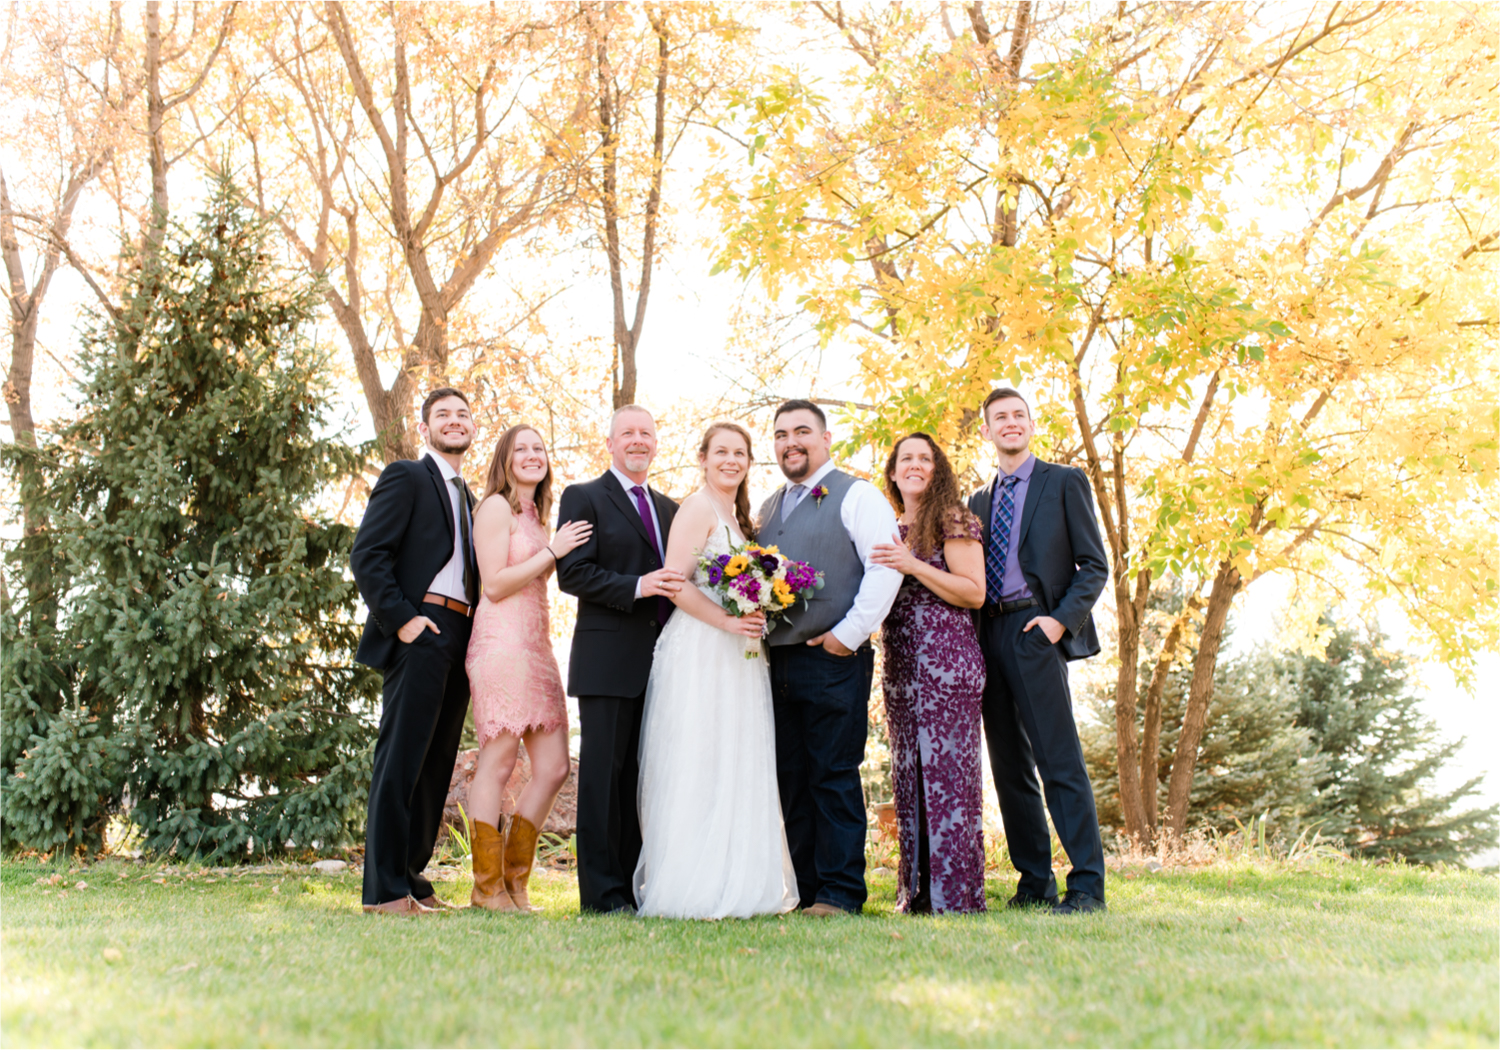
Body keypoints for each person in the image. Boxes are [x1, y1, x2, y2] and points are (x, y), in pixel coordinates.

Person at [632, 423, 799, 919]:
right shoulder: (697, 507)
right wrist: (727, 620)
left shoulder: (740, 517)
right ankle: (693, 884)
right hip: (702, 648)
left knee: (737, 756)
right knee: (700, 756)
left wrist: (756, 611)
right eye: (721, 452)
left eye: (740, 453)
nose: (731, 460)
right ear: (702, 458)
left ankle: (738, 877)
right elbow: (672, 582)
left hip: (739, 653)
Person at [967, 387, 1110, 915]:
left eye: (1017, 416)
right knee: (1009, 767)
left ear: (1030, 425)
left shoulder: (1065, 482)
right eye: (999, 418)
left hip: (1035, 630)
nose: (1010, 423)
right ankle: (1034, 882)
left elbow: (1094, 565)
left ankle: (1088, 886)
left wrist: (1057, 623)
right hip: (988, 636)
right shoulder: (976, 503)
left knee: (1059, 761)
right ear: (986, 430)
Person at [757, 400, 902, 916]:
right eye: (780, 434)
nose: (790, 442)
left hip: (833, 659)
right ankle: (806, 893)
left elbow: (885, 568)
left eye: (802, 431)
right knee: (791, 780)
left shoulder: (857, 494)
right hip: (777, 665)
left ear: (825, 439)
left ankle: (841, 893)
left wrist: (848, 635)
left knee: (833, 775)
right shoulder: (769, 508)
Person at [350, 387, 480, 915]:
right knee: (401, 760)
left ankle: (410, 877)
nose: (455, 422)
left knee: (434, 764)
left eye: (463, 415)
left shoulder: (472, 498)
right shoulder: (406, 476)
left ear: (473, 427)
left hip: (463, 633)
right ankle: (383, 892)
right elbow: (367, 555)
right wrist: (404, 622)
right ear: (425, 428)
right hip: (421, 625)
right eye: (443, 415)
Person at [555, 406, 682, 914]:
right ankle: (602, 896)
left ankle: (635, 889)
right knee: (604, 780)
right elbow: (573, 574)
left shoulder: (671, 509)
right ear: (609, 442)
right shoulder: (584, 497)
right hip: (607, 660)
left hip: (664, 663)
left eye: (646, 433)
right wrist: (637, 586)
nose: (637, 441)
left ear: (655, 444)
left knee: (642, 778)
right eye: (627, 433)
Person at [464, 424, 593, 913]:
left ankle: (515, 882)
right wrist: (553, 552)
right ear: (505, 458)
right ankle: (486, 888)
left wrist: (555, 547)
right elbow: (494, 585)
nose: (532, 455)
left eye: (539, 448)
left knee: (555, 767)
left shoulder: (538, 516)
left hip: (538, 650)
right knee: (497, 763)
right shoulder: (495, 506)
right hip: (501, 645)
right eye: (522, 449)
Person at [870, 433, 988, 915]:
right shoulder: (888, 526)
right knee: (910, 776)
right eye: (906, 459)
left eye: (925, 458)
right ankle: (916, 894)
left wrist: (913, 565)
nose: (916, 465)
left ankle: (955, 897)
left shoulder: (953, 518)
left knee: (948, 779)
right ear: (893, 473)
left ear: (937, 469)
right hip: (900, 665)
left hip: (948, 663)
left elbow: (973, 592)